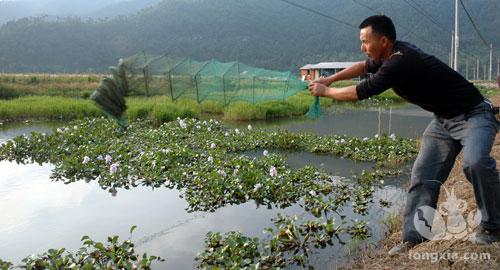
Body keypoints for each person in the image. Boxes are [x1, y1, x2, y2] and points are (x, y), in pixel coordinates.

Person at [309, 15, 500, 254]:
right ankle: (414, 237)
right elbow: (361, 66)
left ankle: (492, 226)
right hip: (443, 119)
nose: (363, 47)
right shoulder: (387, 56)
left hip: (474, 114)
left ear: (384, 40)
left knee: (475, 162)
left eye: (366, 41)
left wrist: (326, 91)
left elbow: (361, 91)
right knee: (422, 174)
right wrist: (330, 78)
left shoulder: (400, 62)